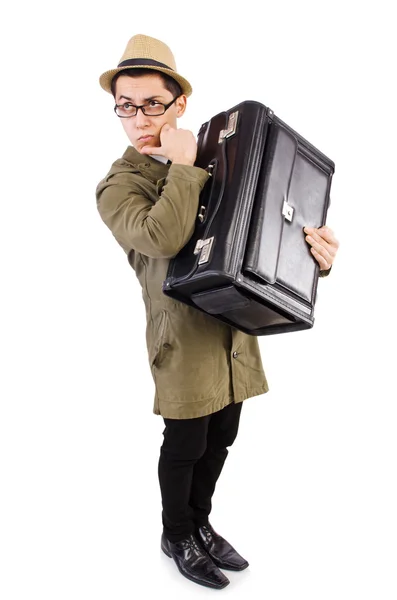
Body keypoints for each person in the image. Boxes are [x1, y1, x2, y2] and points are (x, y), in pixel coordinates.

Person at [96, 34, 339, 590]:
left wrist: (314, 256)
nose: (138, 119)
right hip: (179, 335)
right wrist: (183, 166)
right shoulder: (118, 185)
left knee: (223, 434)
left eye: (152, 104)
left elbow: (256, 233)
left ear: (179, 103)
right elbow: (161, 238)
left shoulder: (218, 156)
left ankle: (200, 523)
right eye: (126, 106)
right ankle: (176, 532)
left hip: (232, 321)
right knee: (184, 444)